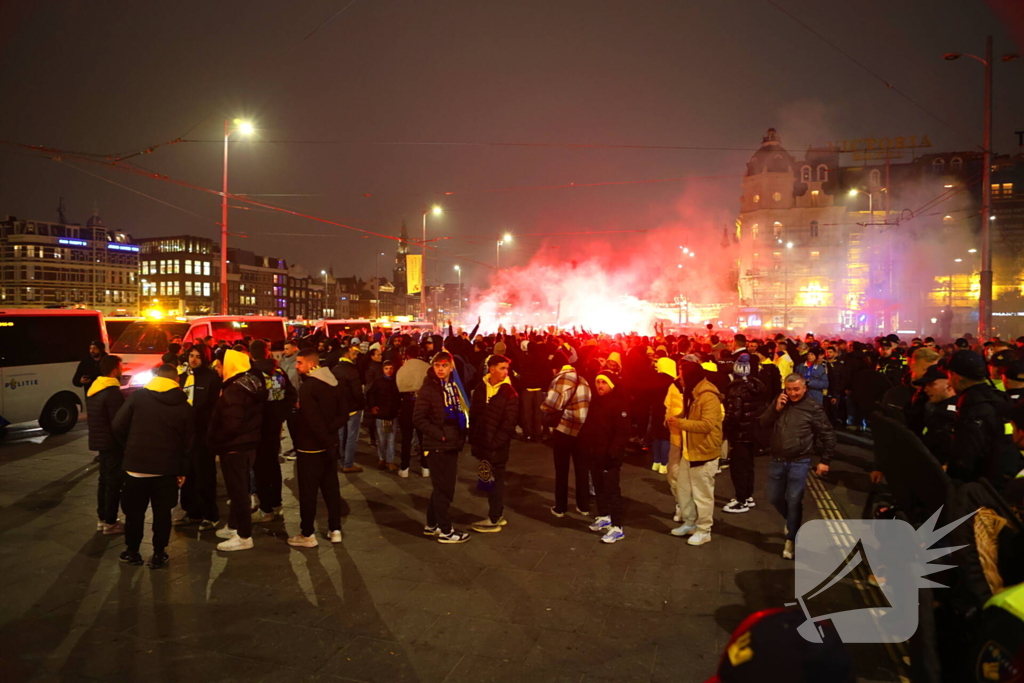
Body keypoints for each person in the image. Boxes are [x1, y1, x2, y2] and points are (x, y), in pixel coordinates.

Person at [112, 364, 193, 568]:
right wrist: (182, 470)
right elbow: (189, 442)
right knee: (162, 513)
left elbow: (117, 425)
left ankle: (132, 551)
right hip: (166, 470)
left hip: (135, 467)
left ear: (155, 377)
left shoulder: (138, 398)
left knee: (134, 513)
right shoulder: (184, 406)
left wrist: (130, 447)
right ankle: (159, 553)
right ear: (176, 381)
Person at [760, 374, 835, 560]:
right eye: (789, 389)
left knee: (794, 499)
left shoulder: (813, 408)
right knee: (774, 496)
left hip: (799, 461)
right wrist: (776, 409)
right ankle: (793, 523)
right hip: (777, 459)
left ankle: (791, 538)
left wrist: (825, 460)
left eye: (796, 389)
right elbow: (762, 422)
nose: (792, 393)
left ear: (804, 388)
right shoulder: (780, 402)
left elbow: (828, 434)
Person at [208, 349, 268, 551]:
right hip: (247, 444)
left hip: (235, 446)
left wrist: (216, 440)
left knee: (238, 491)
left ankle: (243, 535)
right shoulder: (250, 384)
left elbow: (231, 424)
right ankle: (235, 526)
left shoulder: (235, 390)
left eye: (219, 365)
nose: (217, 369)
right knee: (239, 489)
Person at [286, 348, 345, 547]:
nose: (296, 366)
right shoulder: (334, 383)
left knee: (308, 492)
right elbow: (344, 412)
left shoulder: (309, 387)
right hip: (329, 446)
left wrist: (325, 438)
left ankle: (307, 533)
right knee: (331, 489)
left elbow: (313, 420)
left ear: (311, 364)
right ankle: (335, 528)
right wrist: (331, 435)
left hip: (310, 448)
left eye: (300, 362)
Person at [414, 352, 471, 543]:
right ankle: (446, 531)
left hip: (451, 444)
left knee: (441, 487)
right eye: (437, 365)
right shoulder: (429, 389)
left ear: (451, 367)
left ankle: (432, 524)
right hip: (438, 444)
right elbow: (419, 419)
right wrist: (441, 435)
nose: (440, 369)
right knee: (444, 490)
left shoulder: (453, 387)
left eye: (444, 365)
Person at [945, 350, 1022, 489]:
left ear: (955, 376)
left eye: (948, 377)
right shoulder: (999, 397)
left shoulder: (971, 406)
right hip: (1006, 482)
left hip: (983, 489)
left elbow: (965, 456)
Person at [666, 361, 724, 546]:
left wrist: (680, 423)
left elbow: (707, 424)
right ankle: (690, 522)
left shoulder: (708, 396)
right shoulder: (693, 393)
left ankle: (704, 529)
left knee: (702, 494)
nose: (679, 378)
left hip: (704, 452)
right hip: (690, 450)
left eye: (682, 374)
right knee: (684, 489)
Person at [467, 354, 519, 533]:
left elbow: (509, 423)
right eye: (502, 368)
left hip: (497, 446)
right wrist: (474, 437)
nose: (506, 372)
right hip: (483, 444)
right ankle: (498, 514)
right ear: (491, 369)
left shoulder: (509, 393)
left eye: (507, 369)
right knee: (488, 479)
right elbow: (475, 415)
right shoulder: (480, 388)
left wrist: (495, 443)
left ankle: (494, 518)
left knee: (496, 481)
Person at [250, 339, 297, 524]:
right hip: (274, 426)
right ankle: (277, 504)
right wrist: (280, 415)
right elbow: (291, 395)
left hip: (258, 427)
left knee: (259, 468)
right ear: (268, 352)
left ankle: (266, 508)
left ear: (251, 354)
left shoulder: (253, 374)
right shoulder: (278, 371)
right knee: (273, 465)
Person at [175, 344, 222, 530]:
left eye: (198, 356)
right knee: (187, 474)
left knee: (205, 476)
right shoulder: (184, 376)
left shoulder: (211, 378)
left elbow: (214, 409)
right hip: (186, 435)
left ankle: (210, 515)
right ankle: (191, 511)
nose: (193, 360)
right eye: (191, 355)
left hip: (203, 436)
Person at [541, 354, 593, 518]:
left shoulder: (561, 380)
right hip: (583, 430)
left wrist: (543, 407)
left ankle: (561, 507)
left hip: (565, 429)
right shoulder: (582, 379)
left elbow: (551, 404)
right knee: (582, 469)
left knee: (562, 470)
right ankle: (583, 506)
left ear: (555, 367)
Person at [581, 374, 630, 543]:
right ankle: (604, 515)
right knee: (598, 487)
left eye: (603, 382)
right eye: (598, 382)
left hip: (609, 456)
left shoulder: (618, 404)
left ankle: (617, 526)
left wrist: (613, 454)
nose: (600, 386)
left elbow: (622, 432)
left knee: (612, 490)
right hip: (595, 453)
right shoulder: (596, 402)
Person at [722, 353, 769, 514]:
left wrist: (726, 430)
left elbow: (733, 415)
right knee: (749, 466)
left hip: (739, 435)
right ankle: (748, 496)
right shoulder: (756, 386)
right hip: (752, 433)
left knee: (738, 468)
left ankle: (741, 500)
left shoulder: (736, 390)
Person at [87, 354, 125, 535]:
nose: (122, 369)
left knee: (104, 481)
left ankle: (102, 518)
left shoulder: (95, 390)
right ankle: (110, 521)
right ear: (114, 370)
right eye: (121, 366)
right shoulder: (112, 393)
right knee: (113, 483)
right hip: (113, 444)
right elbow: (118, 422)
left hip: (101, 442)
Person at [396, 344, 431, 477]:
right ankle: (425, 467)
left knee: (406, 438)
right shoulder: (426, 367)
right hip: (422, 404)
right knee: (423, 438)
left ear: (407, 354)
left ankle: (404, 468)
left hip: (406, 404)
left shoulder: (402, 369)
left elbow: (397, 388)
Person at [332, 343, 365, 473]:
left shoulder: (335, 369)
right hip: (352, 408)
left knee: (341, 435)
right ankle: (348, 463)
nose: (355, 356)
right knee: (351, 436)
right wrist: (362, 404)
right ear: (346, 355)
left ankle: (341, 460)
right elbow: (357, 392)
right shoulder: (351, 370)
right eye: (352, 354)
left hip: (340, 409)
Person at [366, 359, 401, 471]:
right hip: (381, 414)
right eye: (386, 368)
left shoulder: (397, 381)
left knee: (391, 439)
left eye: (391, 368)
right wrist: (373, 407)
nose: (389, 371)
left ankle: (389, 460)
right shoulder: (378, 382)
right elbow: (370, 394)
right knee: (381, 439)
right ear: (383, 369)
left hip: (392, 414)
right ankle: (382, 458)